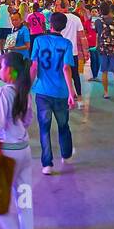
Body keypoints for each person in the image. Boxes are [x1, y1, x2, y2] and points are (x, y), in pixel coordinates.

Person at [0, 50, 37, 229]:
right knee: (25, 204)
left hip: (7, 153)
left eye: (1, 66)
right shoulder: (25, 92)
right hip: (25, 151)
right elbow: (28, 119)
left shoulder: (3, 93)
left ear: (8, 71)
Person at [31, 12, 77, 175]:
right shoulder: (66, 44)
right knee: (63, 125)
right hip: (61, 92)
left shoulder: (39, 41)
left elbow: (34, 67)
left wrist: (28, 88)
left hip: (42, 91)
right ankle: (66, 154)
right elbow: (66, 68)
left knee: (44, 127)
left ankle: (47, 164)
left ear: (49, 24)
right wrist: (72, 92)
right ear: (64, 27)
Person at [95, 1, 114, 100]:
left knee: (104, 71)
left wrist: (97, 45)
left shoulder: (98, 21)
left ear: (100, 10)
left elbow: (98, 35)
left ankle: (106, 92)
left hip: (103, 49)